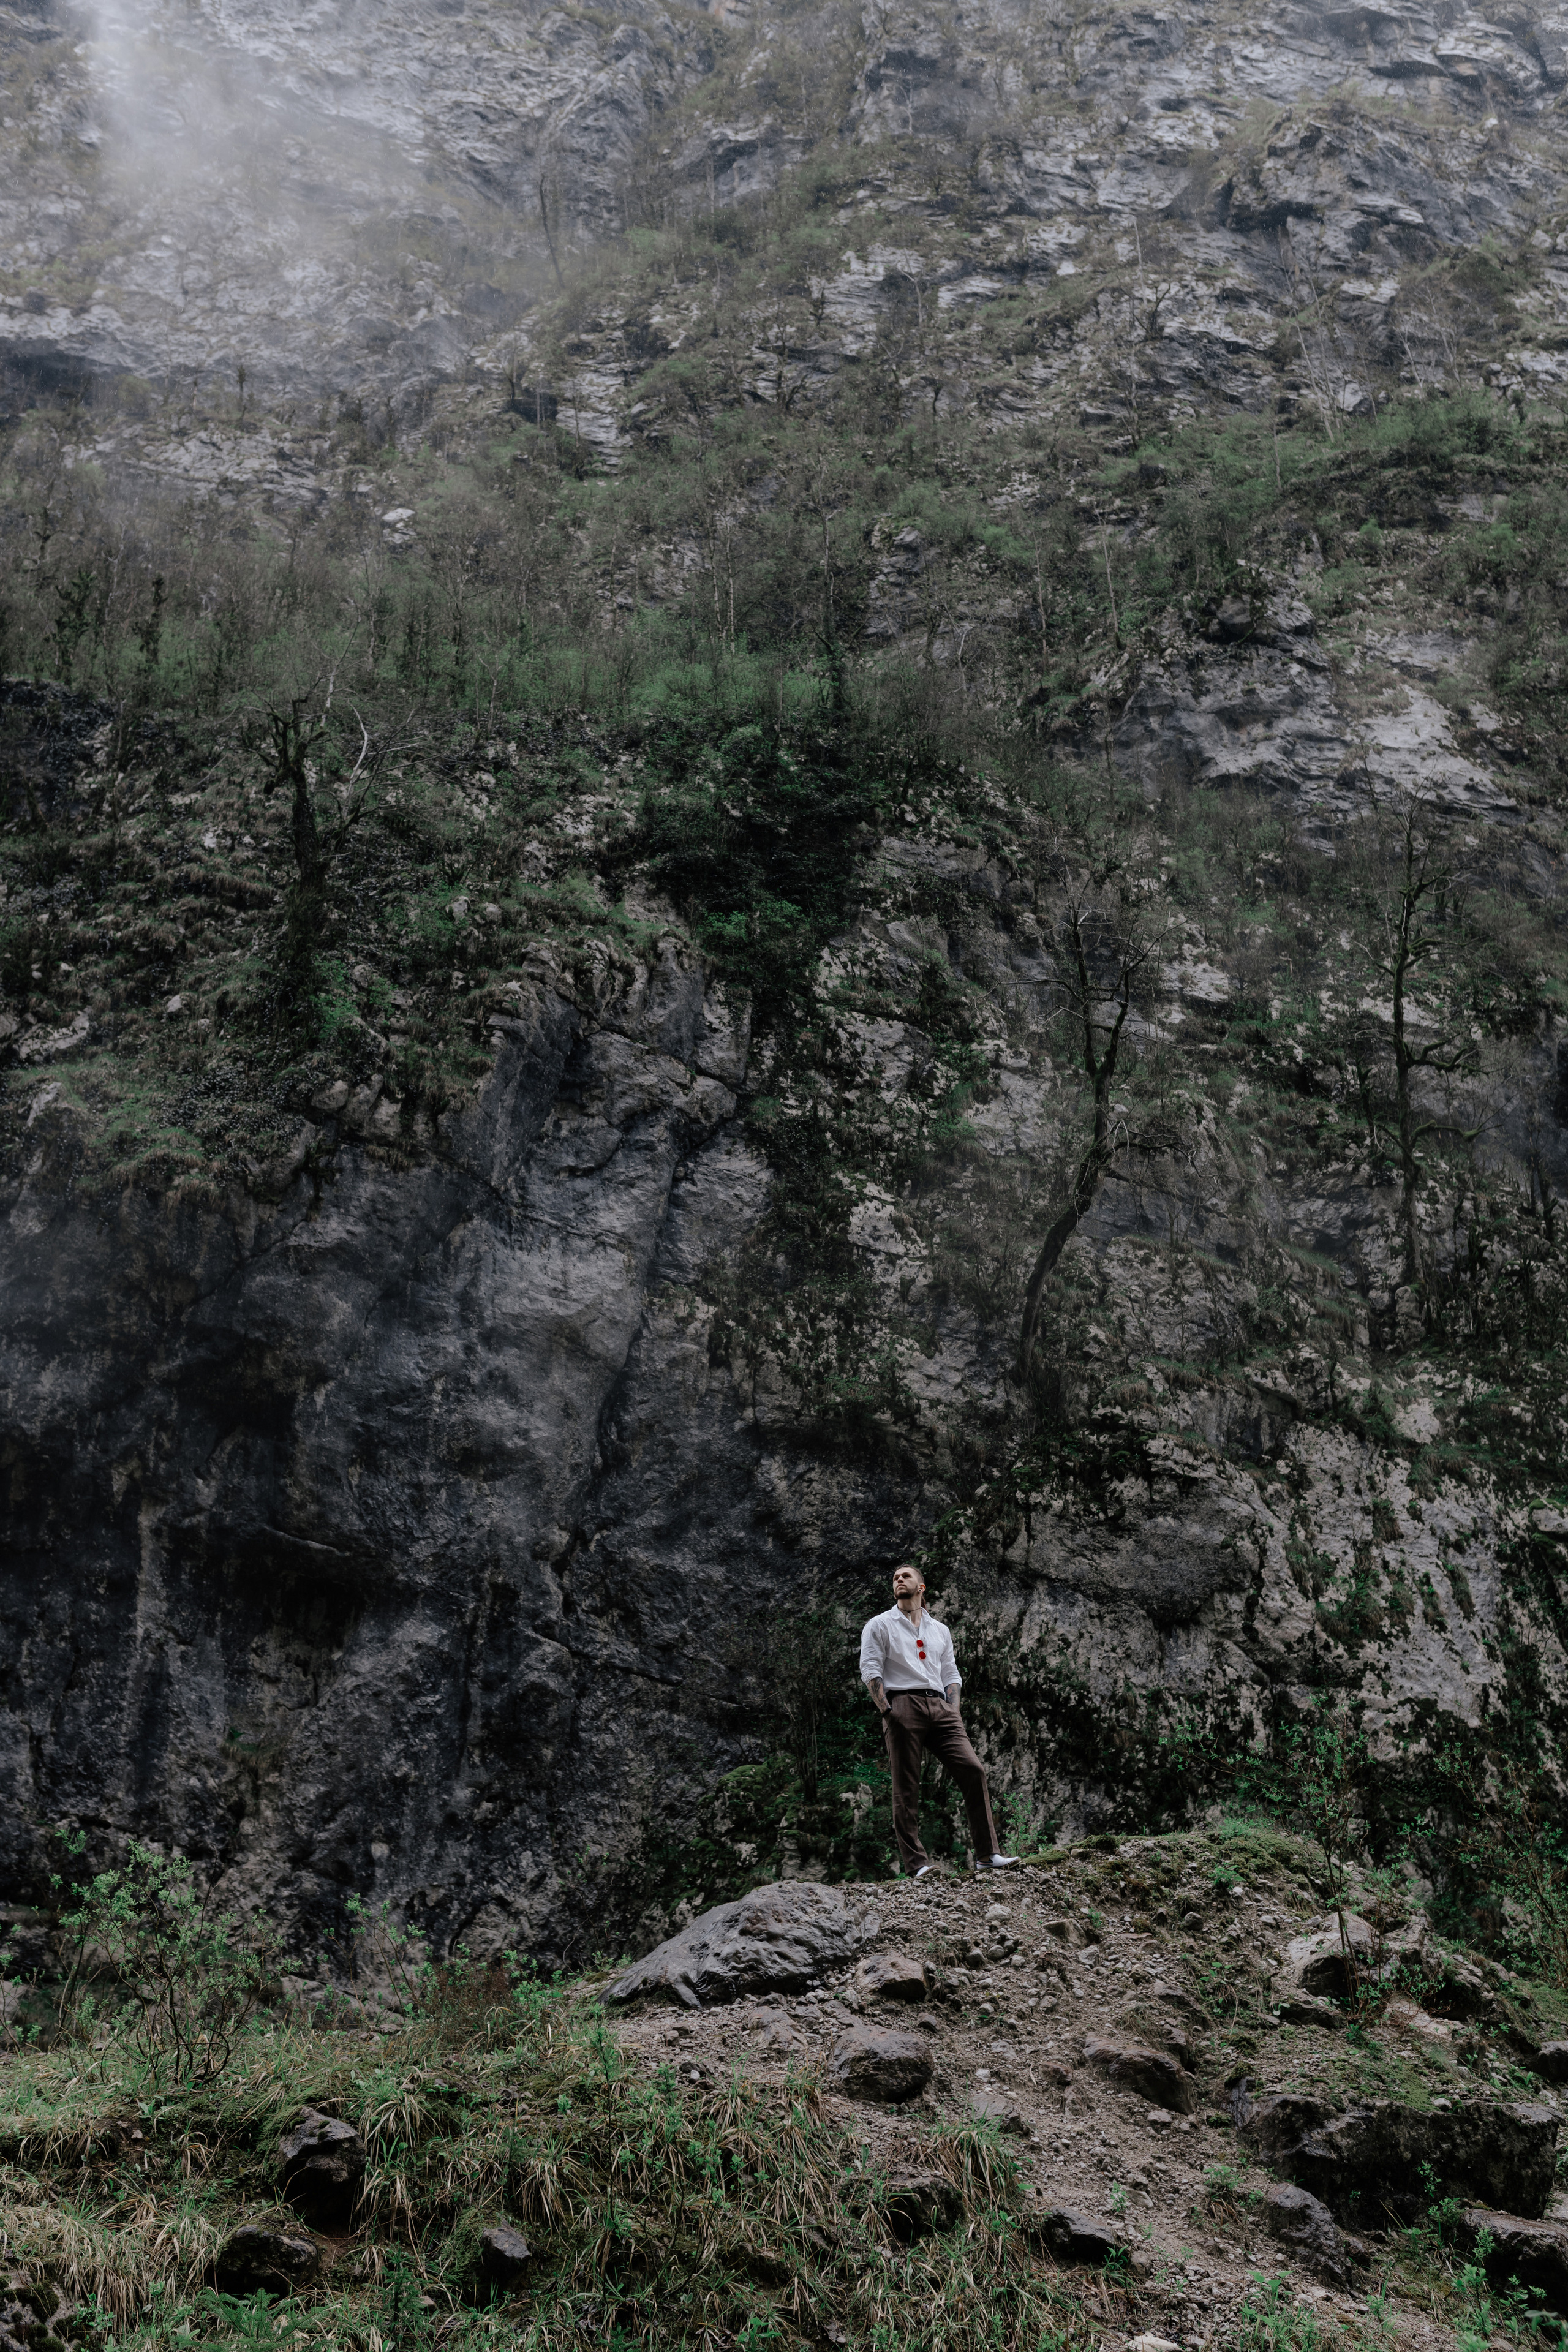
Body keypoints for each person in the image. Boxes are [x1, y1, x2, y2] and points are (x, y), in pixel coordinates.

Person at [859, 1562, 1017, 1879]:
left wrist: (953, 1710)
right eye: (895, 1578)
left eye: (906, 1576)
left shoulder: (940, 1629)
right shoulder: (878, 1625)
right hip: (902, 1704)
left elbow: (950, 1672)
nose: (898, 1580)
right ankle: (918, 1865)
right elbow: (871, 1670)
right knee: (906, 1788)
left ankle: (987, 1856)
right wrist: (889, 1713)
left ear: (922, 1587)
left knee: (974, 1771)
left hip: (941, 1707)